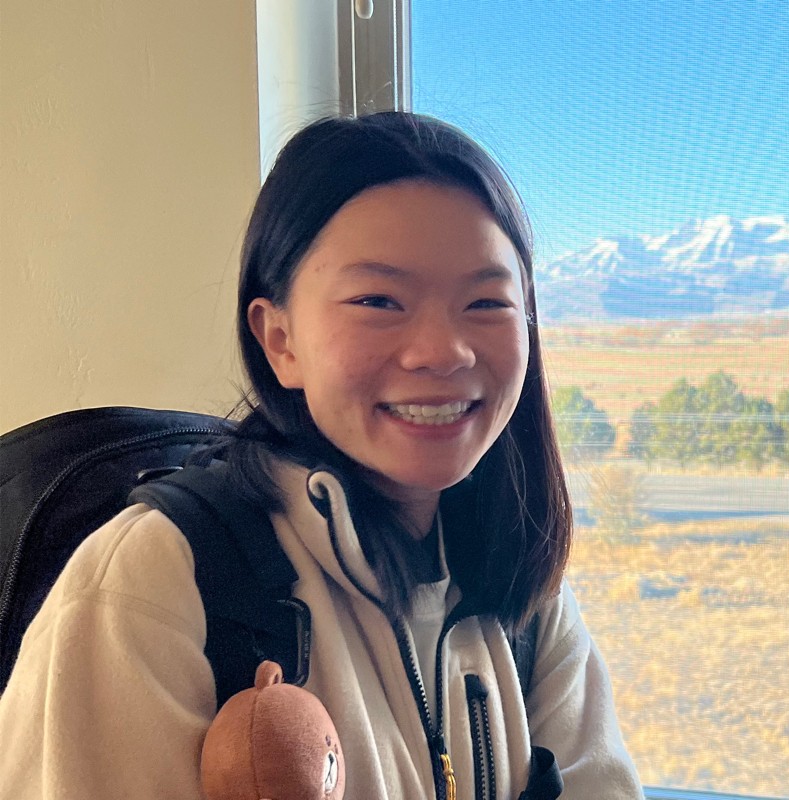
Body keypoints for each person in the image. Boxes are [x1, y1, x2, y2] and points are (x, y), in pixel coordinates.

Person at [0, 112, 644, 799]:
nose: (443, 351)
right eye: (378, 300)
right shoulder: (155, 583)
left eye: (486, 302)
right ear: (280, 340)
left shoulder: (523, 594)